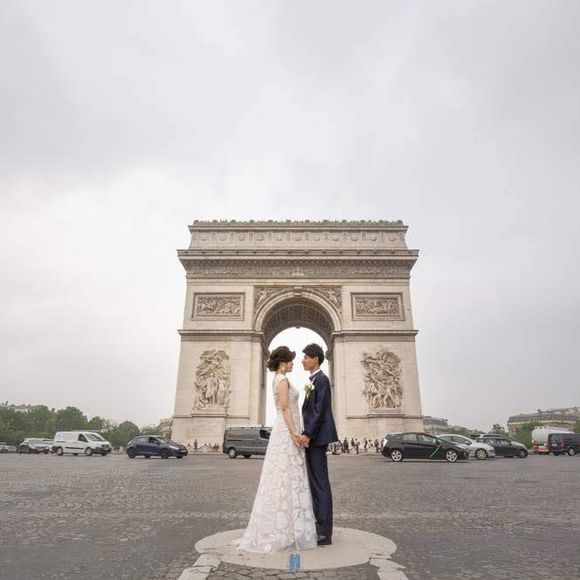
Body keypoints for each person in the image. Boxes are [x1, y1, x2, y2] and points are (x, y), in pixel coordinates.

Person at [234, 346, 317, 553]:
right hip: (287, 432)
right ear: (283, 362)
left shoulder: (278, 379)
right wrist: (294, 433)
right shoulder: (281, 380)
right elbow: (285, 407)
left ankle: (285, 526)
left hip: (285, 430)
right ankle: (286, 527)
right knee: (286, 475)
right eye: (290, 361)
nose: (293, 364)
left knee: (285, 476)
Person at [301, 343, 339, 546]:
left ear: (316, 359)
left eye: (306, 357)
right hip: (315, 438)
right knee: (316, 483)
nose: (303, 360)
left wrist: (308, 433)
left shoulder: (322, 379)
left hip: (316, 438)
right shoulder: (315, 379)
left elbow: (318, 409)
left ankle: (324, 532)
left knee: (320, 483)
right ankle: (320, 526)